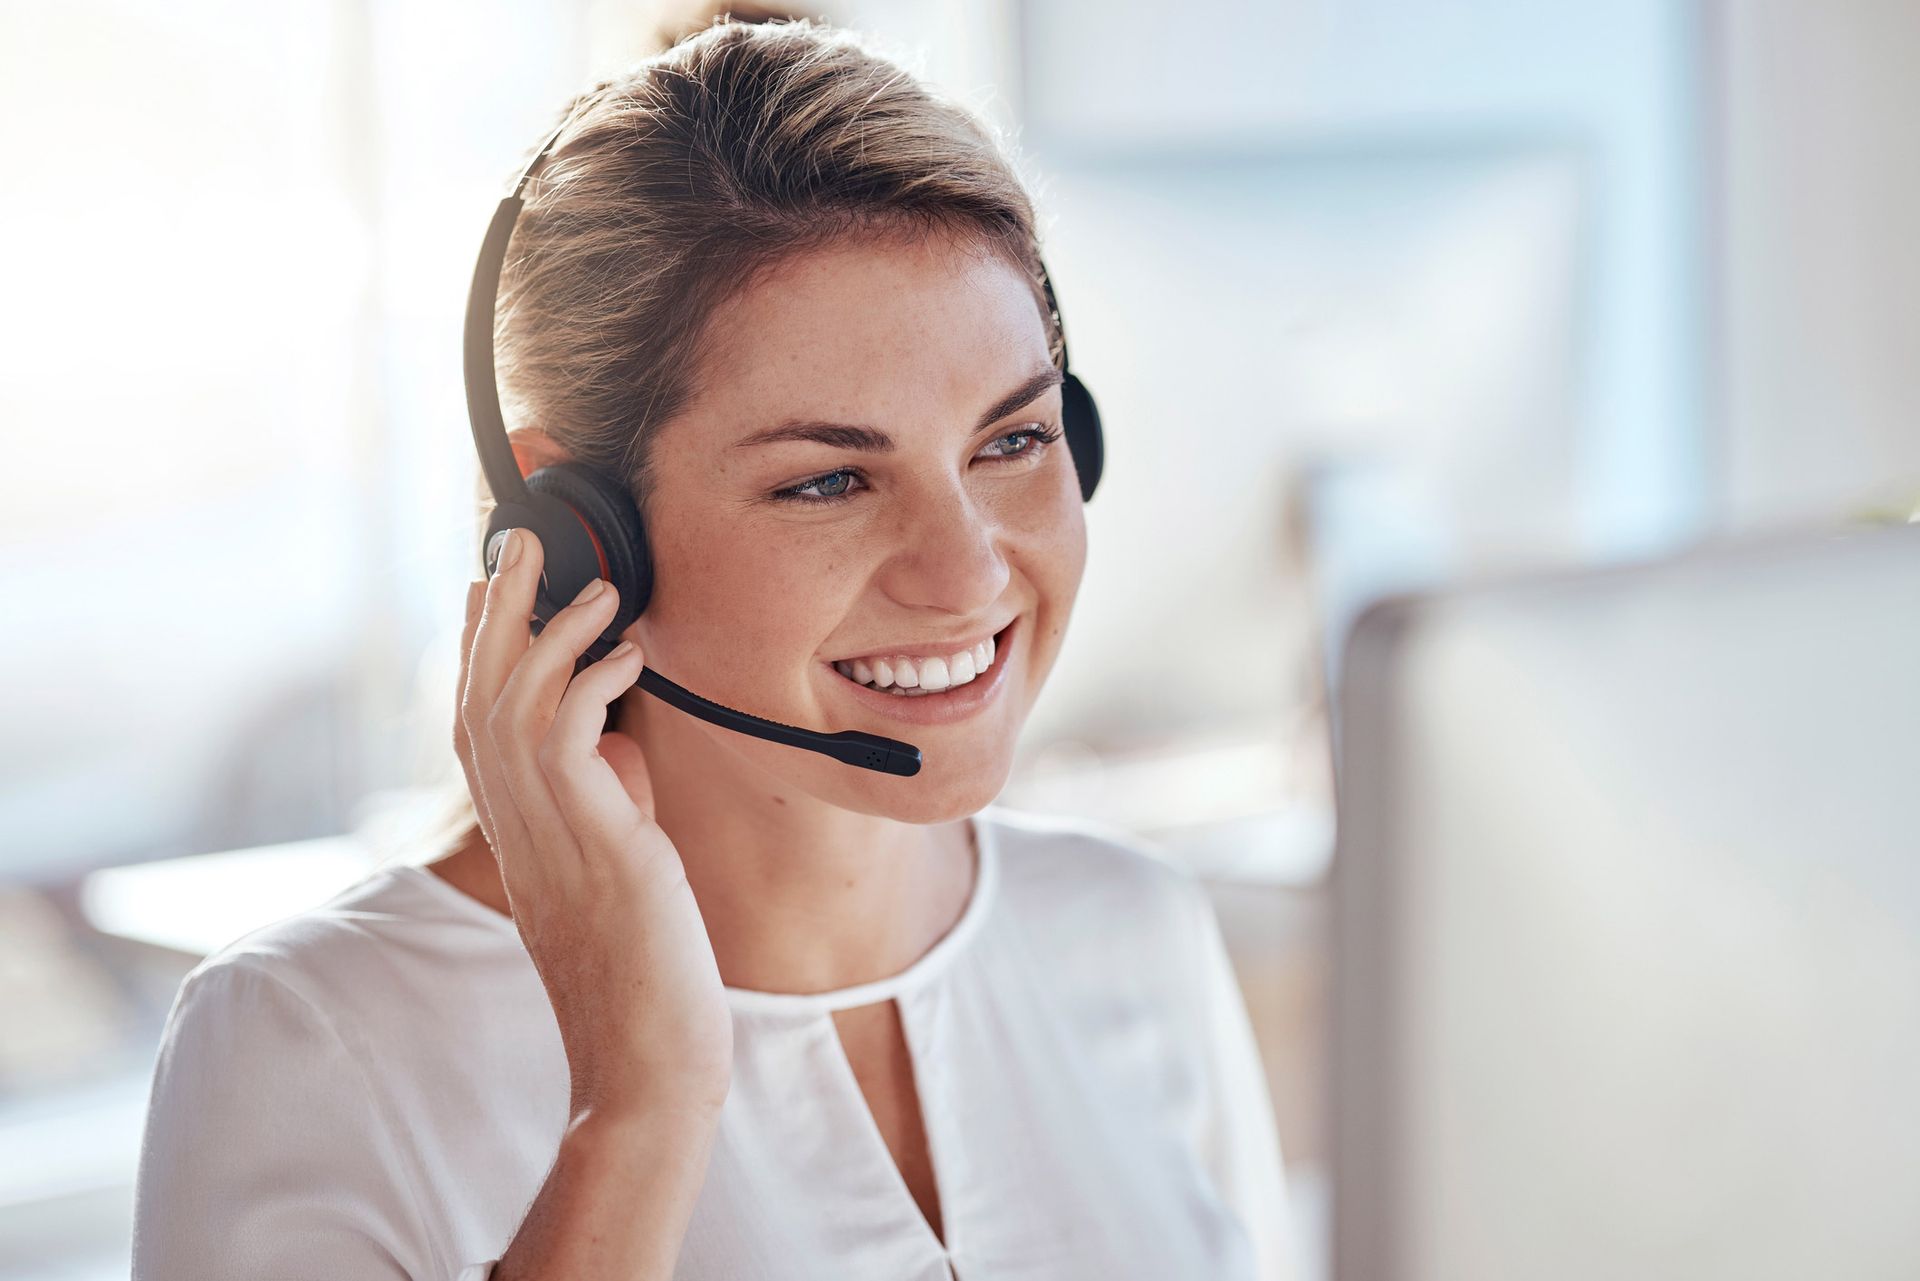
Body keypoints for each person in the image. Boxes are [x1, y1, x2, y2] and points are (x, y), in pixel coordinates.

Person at [131, 16, 1296, 1280]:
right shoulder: (313, 1045)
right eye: (829, 482)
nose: (968, 573)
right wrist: (636, 1108)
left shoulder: (1130, 930)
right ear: (578, 539)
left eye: (1012, 441)